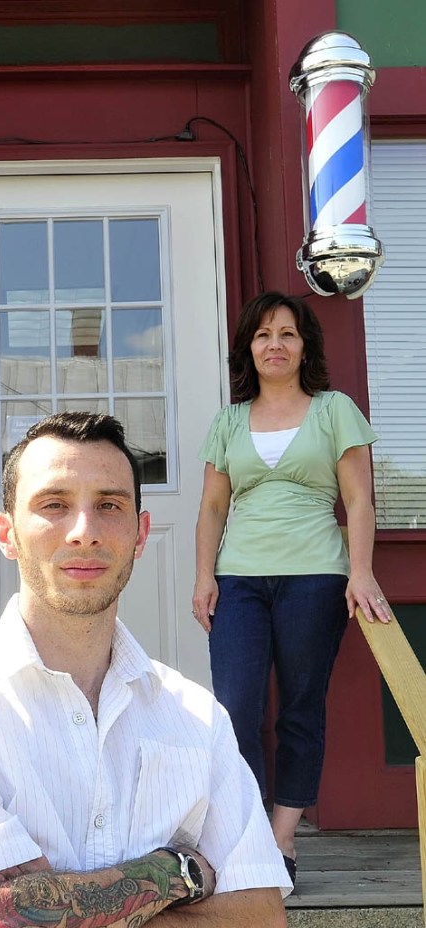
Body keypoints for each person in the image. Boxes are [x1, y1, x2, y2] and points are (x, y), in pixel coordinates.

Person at [0, 411, 290, 928]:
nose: (84, 531)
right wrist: (177, 874)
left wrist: (60, 923)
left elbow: (260, 926)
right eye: (53, 504)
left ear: (140, 531)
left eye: (109, 505)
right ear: (6, 532)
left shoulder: (194, 715)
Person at [192, 291, 390, 884]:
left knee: (300, 710)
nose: (273, 345)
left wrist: (361, 570)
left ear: (305, 346)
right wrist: (204, 576)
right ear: (247, 350)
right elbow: (211, 507)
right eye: (261, 336)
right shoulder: (229, 421)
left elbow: (358, 499)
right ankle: (248, 832)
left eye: (286, 334)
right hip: (240, 581)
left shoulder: (334, 411)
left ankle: (281, 841)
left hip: (315, 576)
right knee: (236, 708)